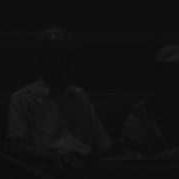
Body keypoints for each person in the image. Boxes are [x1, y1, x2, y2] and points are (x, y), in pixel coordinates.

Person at [6, 27, 110, 168]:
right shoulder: (22, 99)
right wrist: (51, 158)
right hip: (45, 172)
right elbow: (16, 147)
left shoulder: (79, 96)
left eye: (65, 56)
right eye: (55, 56)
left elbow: (101, 143)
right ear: (41, 60)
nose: (61, 62)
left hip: (83, 170)